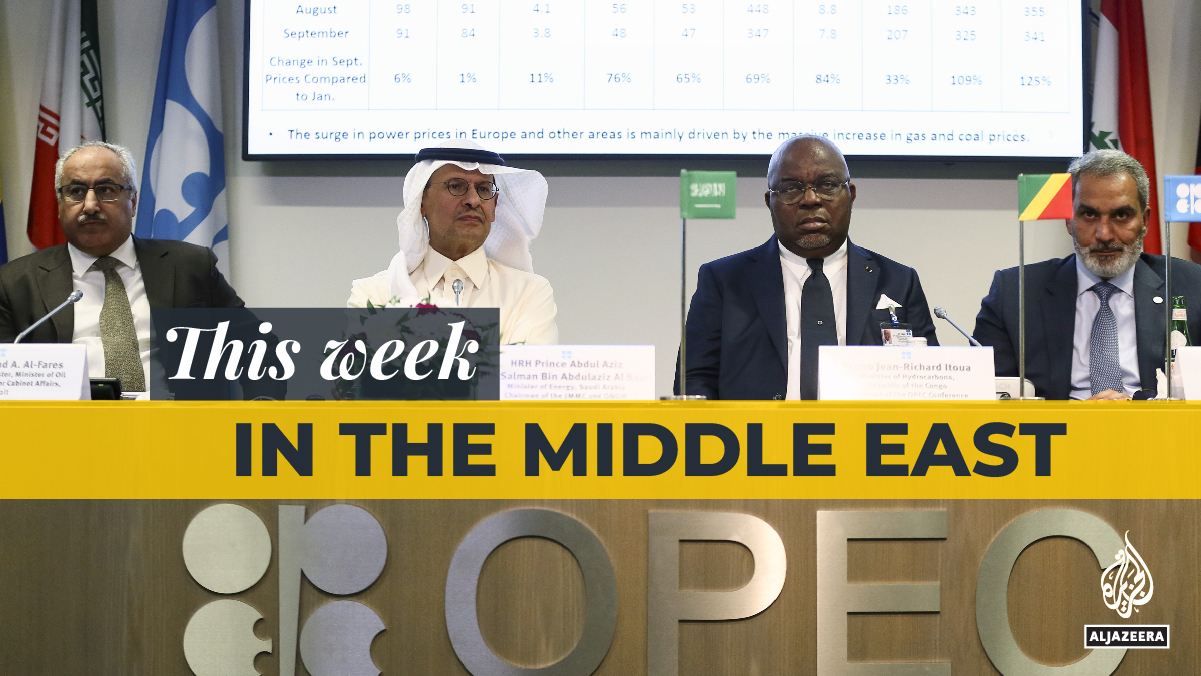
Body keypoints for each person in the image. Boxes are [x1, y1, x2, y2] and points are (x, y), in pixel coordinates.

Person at [678, 135, 939, 400]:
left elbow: (927, 380)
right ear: (769, 202)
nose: (811, 199)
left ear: (850, 195)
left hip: (867, 426)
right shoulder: (724, 281)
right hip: (757, 426)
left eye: (827, 185)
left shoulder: (898, 281)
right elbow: (694, 380)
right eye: (791, 188)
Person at [0, 141, 248, 393]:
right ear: (59, 205)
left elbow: (254, 345)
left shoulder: (190, 265)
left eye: (106, 190)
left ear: (133, 202)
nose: (90, 205)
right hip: (67, 417)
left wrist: (263, 404)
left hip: (177, 415)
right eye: (76, 191)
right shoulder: (15, 283)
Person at [974, 149, 1201, 400]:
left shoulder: (1192, 286)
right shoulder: (1014, 294)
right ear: (1068, 221)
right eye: (1089, 215)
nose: (1104, 234)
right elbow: (984, 397)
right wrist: (1080, 416)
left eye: (1121, 215)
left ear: (1145, 221)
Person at [348, 140, 559, 345]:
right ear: (421, 201)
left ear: (494, 206)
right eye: (456, 186)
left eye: (483, 189)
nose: (473, 200)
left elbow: (528, 369)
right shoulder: (375, 296)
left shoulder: (528, 294)